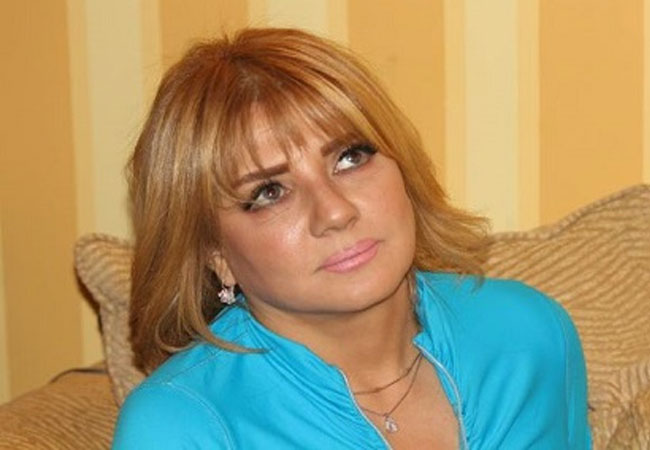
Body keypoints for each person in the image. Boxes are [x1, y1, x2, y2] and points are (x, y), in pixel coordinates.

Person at [112, 28, 591, 449]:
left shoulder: (530, 334)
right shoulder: (180, 427)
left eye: (350, 157)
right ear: (216, 255)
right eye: (269, 192)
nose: (336, 212)